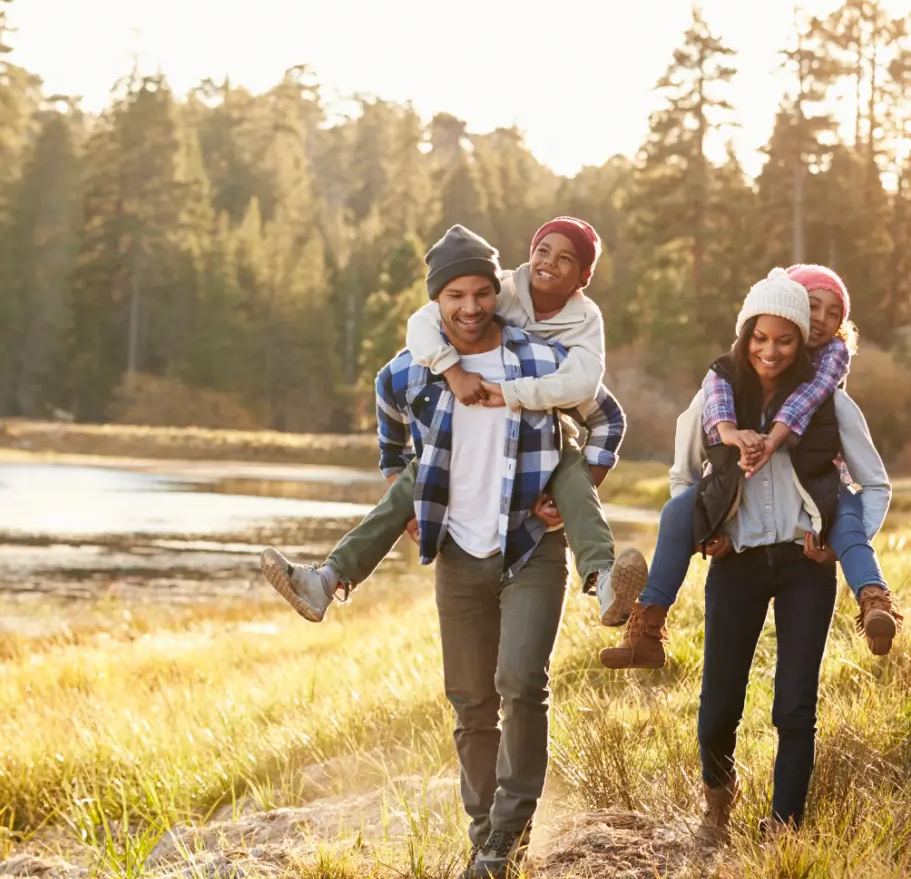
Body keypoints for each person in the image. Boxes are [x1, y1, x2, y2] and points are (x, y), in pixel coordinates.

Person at [272, 226, 627, 879]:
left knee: (521, 684)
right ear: (436, 302)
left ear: (500, 294)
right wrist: (399, 484)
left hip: (529, 545)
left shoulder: (538, 358)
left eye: (482, 293)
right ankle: (488, 840)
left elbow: (605, 411)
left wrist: (591, 473)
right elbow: (386, 398)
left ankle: (510, 829)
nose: (469, 307)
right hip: (460, 552)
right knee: (470, 703)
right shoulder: (418, 364)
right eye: (454, 295)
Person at [260, 217, 646, 630]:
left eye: (566, 258)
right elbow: (422, 324)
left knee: (571, 472)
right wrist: (450, 370)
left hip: (547, 433)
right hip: (463, 439)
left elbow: (591, 389)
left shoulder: (583, 323)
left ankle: (603, 580)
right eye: (543, 251)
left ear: (583, 277)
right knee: (417, 476)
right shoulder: (502, 291)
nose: (471, 306)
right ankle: (327, 580)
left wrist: (576, 483)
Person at [665, 270, 891, 841]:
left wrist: (840, 543)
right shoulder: (716, 398)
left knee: (795, 705)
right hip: (735, 564)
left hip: (803, 567)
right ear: (747, 335)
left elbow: (876, 486)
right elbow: (681, 478)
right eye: (761, 338)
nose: (771, 350)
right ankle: (718, 801)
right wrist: (705, 532)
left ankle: (785, 824)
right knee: (719, 702)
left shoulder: (830, 404)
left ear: (800, 342)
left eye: (786, 339)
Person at [599, 263, 902, 672]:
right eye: (813, 307)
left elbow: (810, 404)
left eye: (834, 314)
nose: (822, 321)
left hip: (819, 494)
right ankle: (647, 625)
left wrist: (772, 440)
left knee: (847, 520)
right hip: (735, 522)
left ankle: (874, 599)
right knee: (677, 512)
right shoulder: (726, 375)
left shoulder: (828, 373)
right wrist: (710, 523)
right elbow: (698, 434)